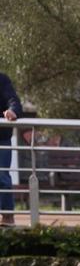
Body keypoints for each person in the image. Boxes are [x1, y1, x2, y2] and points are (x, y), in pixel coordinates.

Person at [0, 71, 21, 227]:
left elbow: (13, 101)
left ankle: (7, 216)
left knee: (2, 177)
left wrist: (12, 111)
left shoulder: (2, 80)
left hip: (1, 138)